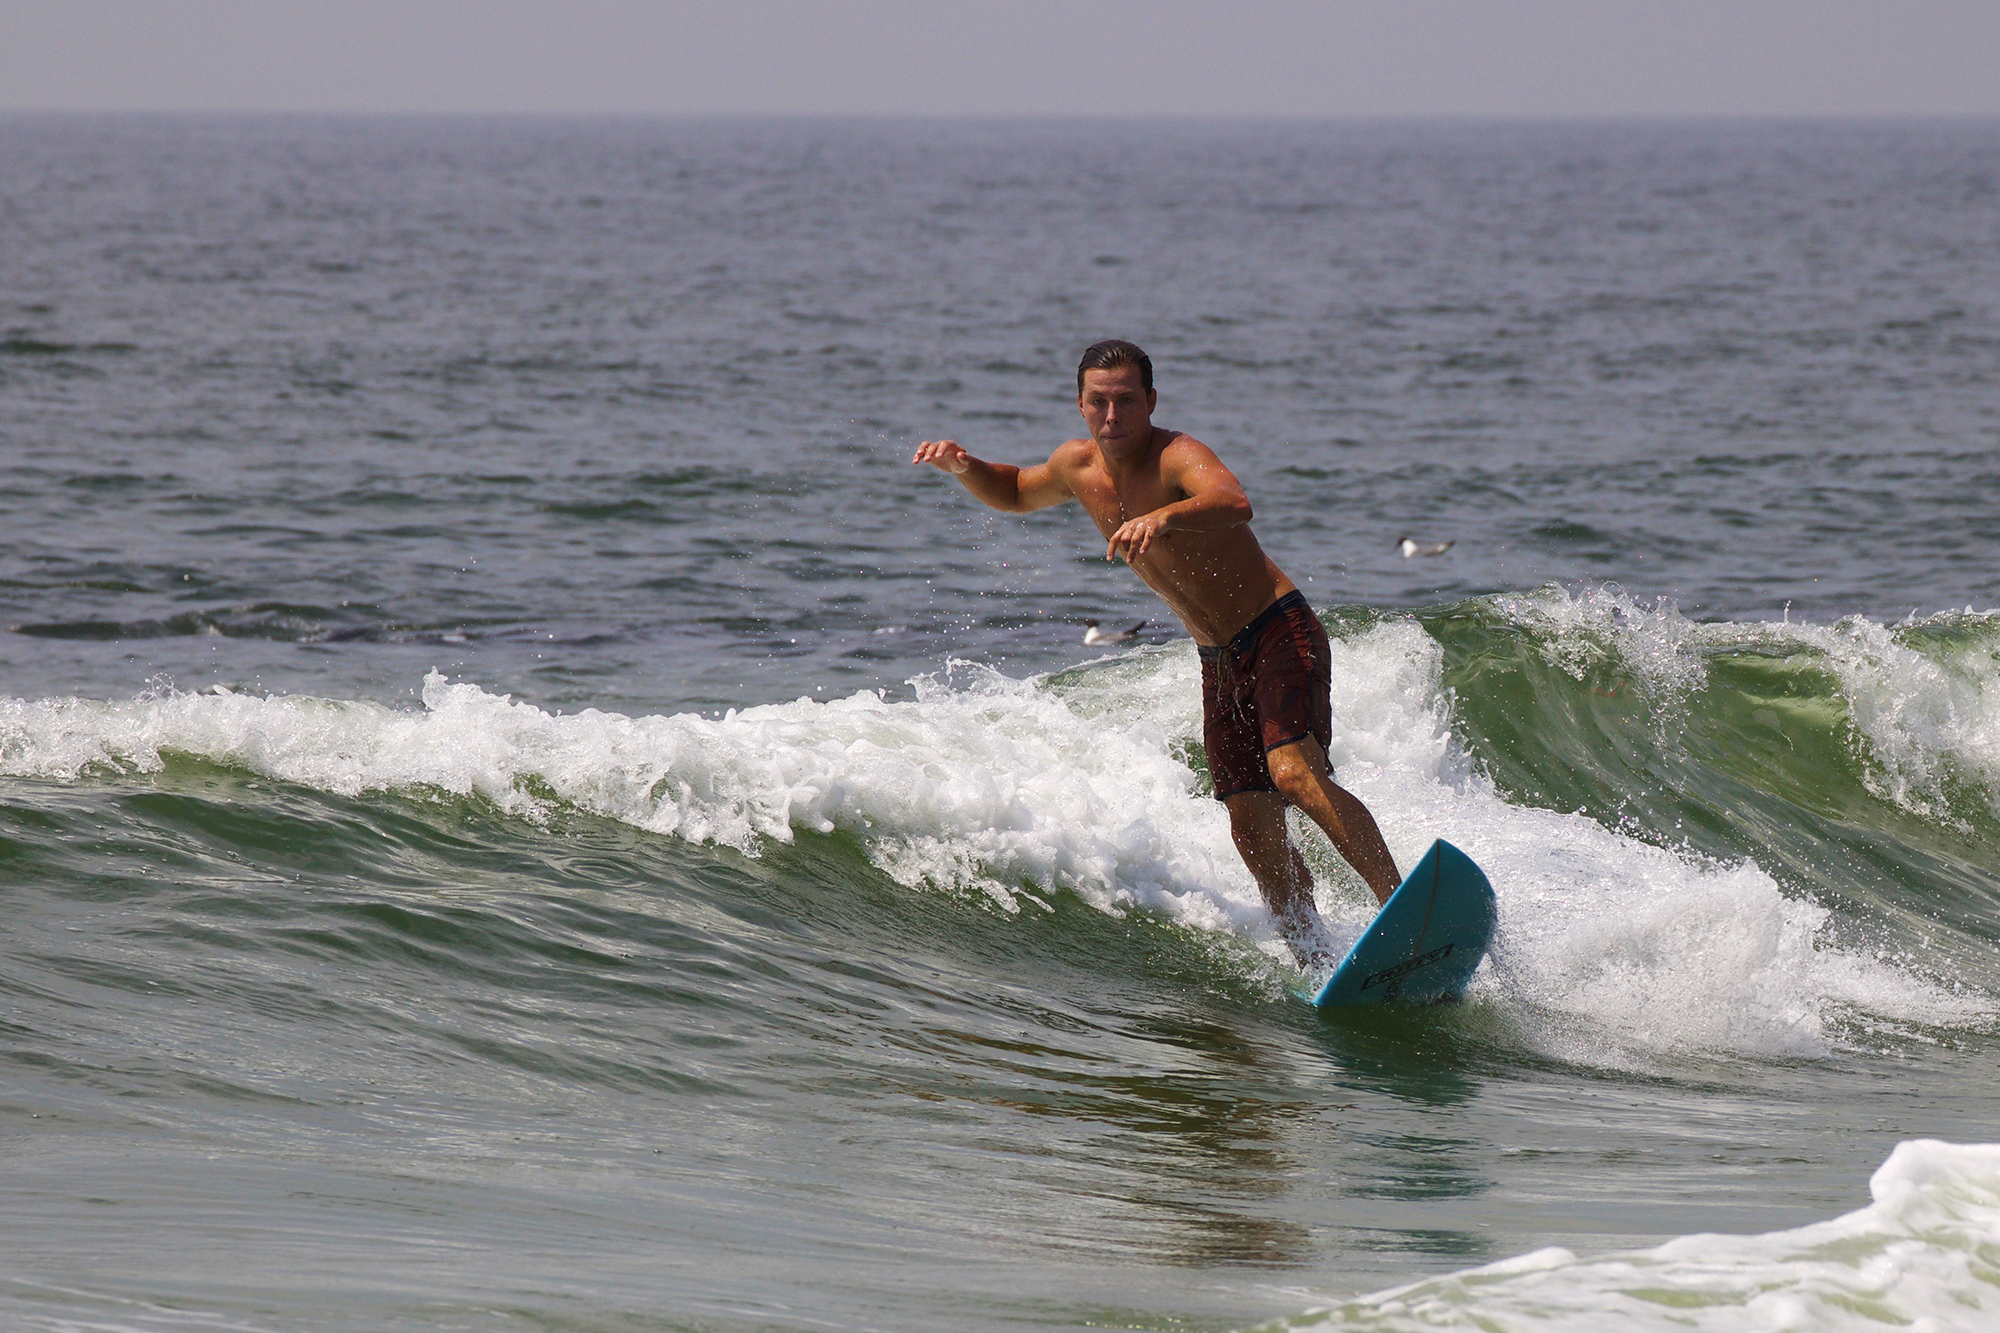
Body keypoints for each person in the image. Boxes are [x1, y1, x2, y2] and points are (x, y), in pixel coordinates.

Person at [913, 339, 1402, 971]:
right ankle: (1317, 959)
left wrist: (1165, 516)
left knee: (1293, 775)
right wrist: (963, 465)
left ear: (1150, 401)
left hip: (1278, 630)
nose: (1111, 416)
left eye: (1125, 401)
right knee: (1251, 824)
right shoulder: (1075, 466)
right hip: (1217, 658)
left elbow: (1233, 501)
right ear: (1080, 404)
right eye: (1098, 402)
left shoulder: (1179, 455)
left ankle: (1402, 906)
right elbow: (1012, 490)